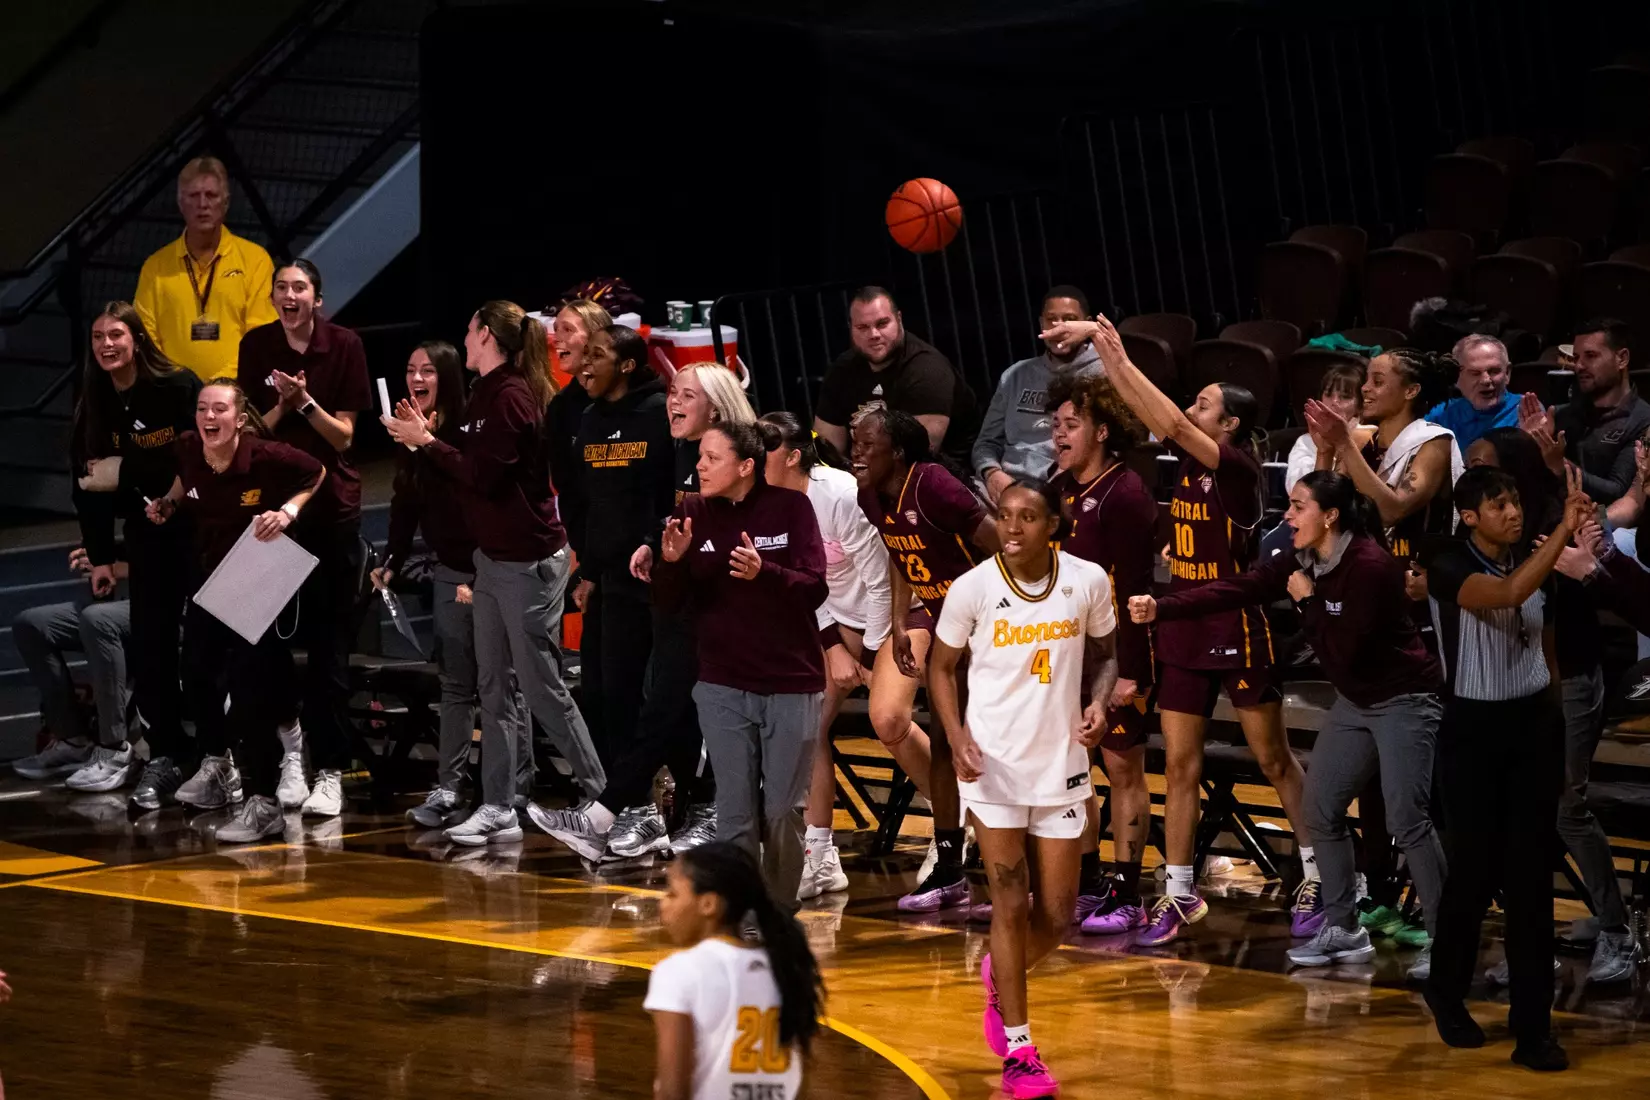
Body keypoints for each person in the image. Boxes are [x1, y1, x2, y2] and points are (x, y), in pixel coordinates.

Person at [1042, 314, 1315, 945]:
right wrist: (1110, 361)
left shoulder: (1237, 471)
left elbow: (1166, 420)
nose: (1191, 411)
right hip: (1182, 628)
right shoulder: (1186, 467)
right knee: (1181, 767)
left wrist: (1110, 348)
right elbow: (1153, 416)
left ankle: (1317, 875)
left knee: (1274, 759)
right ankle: (1180, 890)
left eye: (1204, 406)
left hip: (1235, 626)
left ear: (1230, 425)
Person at [1132, 472, 1447, 977]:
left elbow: (1344, 646)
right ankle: (1343, 927)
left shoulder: (1370, 566)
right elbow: (1240, 587)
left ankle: (1447, 938)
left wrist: (1305, 600)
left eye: (1299, 506)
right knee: (1321, 808)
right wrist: (1162, 607)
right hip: (1356, 700)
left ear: (1331, 516)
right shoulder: (1300, 557)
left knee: (1407, 820)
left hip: (1403, 699)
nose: (1288, 515)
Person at [383, 300, 607, 844]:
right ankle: (500, 805)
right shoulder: (483, 391)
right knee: (493, 687)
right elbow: (460, 456)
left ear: (486, 334)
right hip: (491, 559)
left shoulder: (512, 396)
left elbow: (484, 476)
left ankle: (605, 796)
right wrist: (424, 437)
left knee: (541, 687)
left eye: (468, 330)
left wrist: (427, 442)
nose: (464, 339)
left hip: (528, 561)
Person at [927, 479, 1118, 1100]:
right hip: (993, 769)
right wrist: (956, 736)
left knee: (1058, 915)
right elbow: (940, 667)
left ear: (1052, 525)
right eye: (1004, 515)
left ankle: (999, 975)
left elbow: (1107, 655)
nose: (1012, 527)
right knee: (1009, 901)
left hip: (1061, 765)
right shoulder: (972, 587)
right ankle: (1020, 1049)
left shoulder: (1087, 581)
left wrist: (1098, 704)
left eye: (1027, 517)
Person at [1422, 465, 1590, 1073]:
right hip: (1472, 731)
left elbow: (1547, 649)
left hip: (1531, 728)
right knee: (1472, 874)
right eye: (1498, 505)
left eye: (1516, 500)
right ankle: (1446, 992)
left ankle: (1533, 1027)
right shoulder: (1446, 564)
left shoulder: (1535, 563)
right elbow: (1508, 594)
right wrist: (1562, 531)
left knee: (1531, 881)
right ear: (1470, 517)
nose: (1513, 512)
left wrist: (1557, 734)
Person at [1468, 429, 1639, 986]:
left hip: (1568, 682)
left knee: (1567, 808)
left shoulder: (1551, 528)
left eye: (1484, 466)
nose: (1472, 475)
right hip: (1516, 686)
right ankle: (1530, 946)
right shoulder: (1481, 536)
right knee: (1518, 815)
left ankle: (1617, 931)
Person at [650, 422, 828, 904]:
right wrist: (671, 563)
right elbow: (669, 605)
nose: (700, 468)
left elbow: (815, 587)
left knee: (782, 810)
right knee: (734, 812)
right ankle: (741, 914)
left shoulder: (791, 508)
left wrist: (764, 572)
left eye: (712, 459)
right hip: (722, 683)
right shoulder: (692, 513)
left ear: (746, 466)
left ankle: (778, 911)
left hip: (790, 681)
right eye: (699, 458)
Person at [31, 303, 201, 804]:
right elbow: (87, 484)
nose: (106, 344)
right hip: (145, 535)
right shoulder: (95, 400)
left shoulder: (176, 386)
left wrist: (122, 470)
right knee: (150, 649)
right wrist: (102, 558)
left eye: (116, 335)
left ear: (137, 339)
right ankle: (166, 753)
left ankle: (221, 754)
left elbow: (195, 459)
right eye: (98, 336)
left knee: (205, 647)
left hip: (197, 532)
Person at [146, 378, 325, 842]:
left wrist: (287, 512)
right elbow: (185, 477)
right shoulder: (190, 447)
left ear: (240, 419)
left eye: (220, 409)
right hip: (211, 578)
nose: (209, 416)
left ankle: (264, 799)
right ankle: (218, 765)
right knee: (196, 672)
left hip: (258, 577)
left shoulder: (267, 456)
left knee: (249, 685)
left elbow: (316, 472)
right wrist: (169, 502)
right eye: (203, 408)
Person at [235, 258, 371, 818]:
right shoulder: (257, 345)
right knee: (258, 644)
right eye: (281, 288)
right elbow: (249, 431)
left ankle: (332, 770)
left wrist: (306, 404)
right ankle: (289, 750)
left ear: (317, 298)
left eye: (299, 288)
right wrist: (282, 403)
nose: (288, 295)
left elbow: (343, 438)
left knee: (328, 652)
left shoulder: (345, 345)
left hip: (330, 513)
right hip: (271, 513)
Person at [852, 403, 1001, 911]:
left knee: (990, 749)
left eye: (867, 445)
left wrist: (995, 620)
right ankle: (950, 869)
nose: (856, 453)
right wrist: (899, 621)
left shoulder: (933, 484)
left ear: (896, 452)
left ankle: (1016, 873)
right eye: (855, 443)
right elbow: (900, 551)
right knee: (943, 747)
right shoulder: (871, 493)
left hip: (991, 631)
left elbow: (1004, 546)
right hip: (945, 628)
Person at [1042, 374, 1159, 934]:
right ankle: (1088, 883)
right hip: (1068, 657)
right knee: (1073, 768)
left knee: (1120, 767)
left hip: (1115, 657)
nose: (1059, 435)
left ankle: (1129, 892)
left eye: (1072, 425)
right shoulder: (1057, 486)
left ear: (1103, 431)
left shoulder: (1125, 494)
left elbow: (1137, 590)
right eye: (1055, 425)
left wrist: (1130, 673)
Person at [760, 411, 892, 900]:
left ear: (794, 457)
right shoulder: (767, 501)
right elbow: (801, 587)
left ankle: (952, 831)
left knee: (845, 721)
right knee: (802, 722)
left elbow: (882, 584)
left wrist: (871, 661)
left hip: (880, 618)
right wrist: (832, 645)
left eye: (765, 448)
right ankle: (818, 853)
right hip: (828, 619)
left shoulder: (839, 495)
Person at [628, 362, 760, 851]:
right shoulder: (682, 451)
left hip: (721, 608)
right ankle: (685, 806)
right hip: (679, 599)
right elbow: (676, 517)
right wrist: (651, 545)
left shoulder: (741, 459)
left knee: (702, 713)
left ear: (717, 408)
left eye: (687, 395)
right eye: (672, 393)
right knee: (666, 705)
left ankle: (713, 811)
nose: (674, 402)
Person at [374, 340, 488, 828]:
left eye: (428, 370)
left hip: (491, 571)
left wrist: (427, 442)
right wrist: (393, 560)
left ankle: (505, 794)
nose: (416, 378)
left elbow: (472, 492)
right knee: (456, 684)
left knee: (501, 688)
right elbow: (406, 501)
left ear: (448, 376)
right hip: (452, 573)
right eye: (409, 369)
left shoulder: (468, 428)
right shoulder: (410, 433)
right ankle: (449, 789)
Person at [566, 324, 674, 770]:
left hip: (651, 576)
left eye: (597, 355)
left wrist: (653, 545)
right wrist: (588, 571)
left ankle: (655, 787)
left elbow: (669, 496)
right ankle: (619, 791)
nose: (585, 364)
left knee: (644, 692)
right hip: (607, 577)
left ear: (627, 365)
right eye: (585, 355)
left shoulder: (658, 414)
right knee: (601, 692)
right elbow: (589, 503)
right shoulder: (589, 419)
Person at [645, 841, 823, 1100]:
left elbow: (673, 1091)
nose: (663, 904)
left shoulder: (678, 971)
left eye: (672, 893)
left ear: (708, 904)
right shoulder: (784, 964)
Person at [133, 157, 277, 380]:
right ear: (181, 204)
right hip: (174, 394)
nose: (202, 204)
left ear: (226, 202)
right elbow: (145, 338)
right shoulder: (156, 267)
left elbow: (261, 337)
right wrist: (176, 385)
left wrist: (221, 385)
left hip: (237, 392)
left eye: (211, 195)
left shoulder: (255, 261)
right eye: (193, 196)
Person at [813, 286, 976, 467]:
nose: (874, 334)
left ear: (899, 319)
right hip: (863, 474)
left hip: (940, 476)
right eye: (863, 327)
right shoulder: (841, 370)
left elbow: (916, 458)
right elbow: (825, 450)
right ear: (851, 328)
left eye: (882, 324)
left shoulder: (927, 370)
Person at [10, 548, 132, 786]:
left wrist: (116, 568)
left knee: (98, 620)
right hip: (132, 600)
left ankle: (114, 749)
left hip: (174, 602)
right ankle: (73, 741)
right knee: (30, 625)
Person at [973, 286, 1101, 502]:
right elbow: (985, 443)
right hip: (1004, 484)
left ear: (1087, 324)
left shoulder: (1106, 373)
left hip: (1064, 488)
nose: (1059, 327)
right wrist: (992, 473)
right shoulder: (1015, 375)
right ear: (1041, 323)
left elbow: (1114, 448)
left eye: (1069, 319)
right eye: (1051, 319)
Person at [1520, 318, 1650, 505]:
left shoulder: (1643, 421)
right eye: (1576, 358)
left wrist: (1562, 466)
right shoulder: (1560, 415)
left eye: (1591, 356)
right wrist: (1529, 446)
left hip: (1606, 520)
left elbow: (1618, 492)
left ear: (1622, 359)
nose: (1579, 366)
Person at [546, 298, 614, 599]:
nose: (556, 338)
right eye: (555, 329)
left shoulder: (636, 399)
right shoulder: (560, 407)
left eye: (568, 329)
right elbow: (566, 486)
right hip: (590, 550)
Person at [1422, 334, 1520, 452]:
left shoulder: (1525, 411)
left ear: (1507, 373)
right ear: (1456, 377)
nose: (1486, 380)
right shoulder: (1440, 414)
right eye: (1475, 373)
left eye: (1494, 371)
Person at [1285, 362, 1368, 492]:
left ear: (1360, 406)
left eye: (1345, 396)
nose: (1334, 402)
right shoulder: (1305, 442)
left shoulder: (1370, 440)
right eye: (1328, 394)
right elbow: (1295, 491)